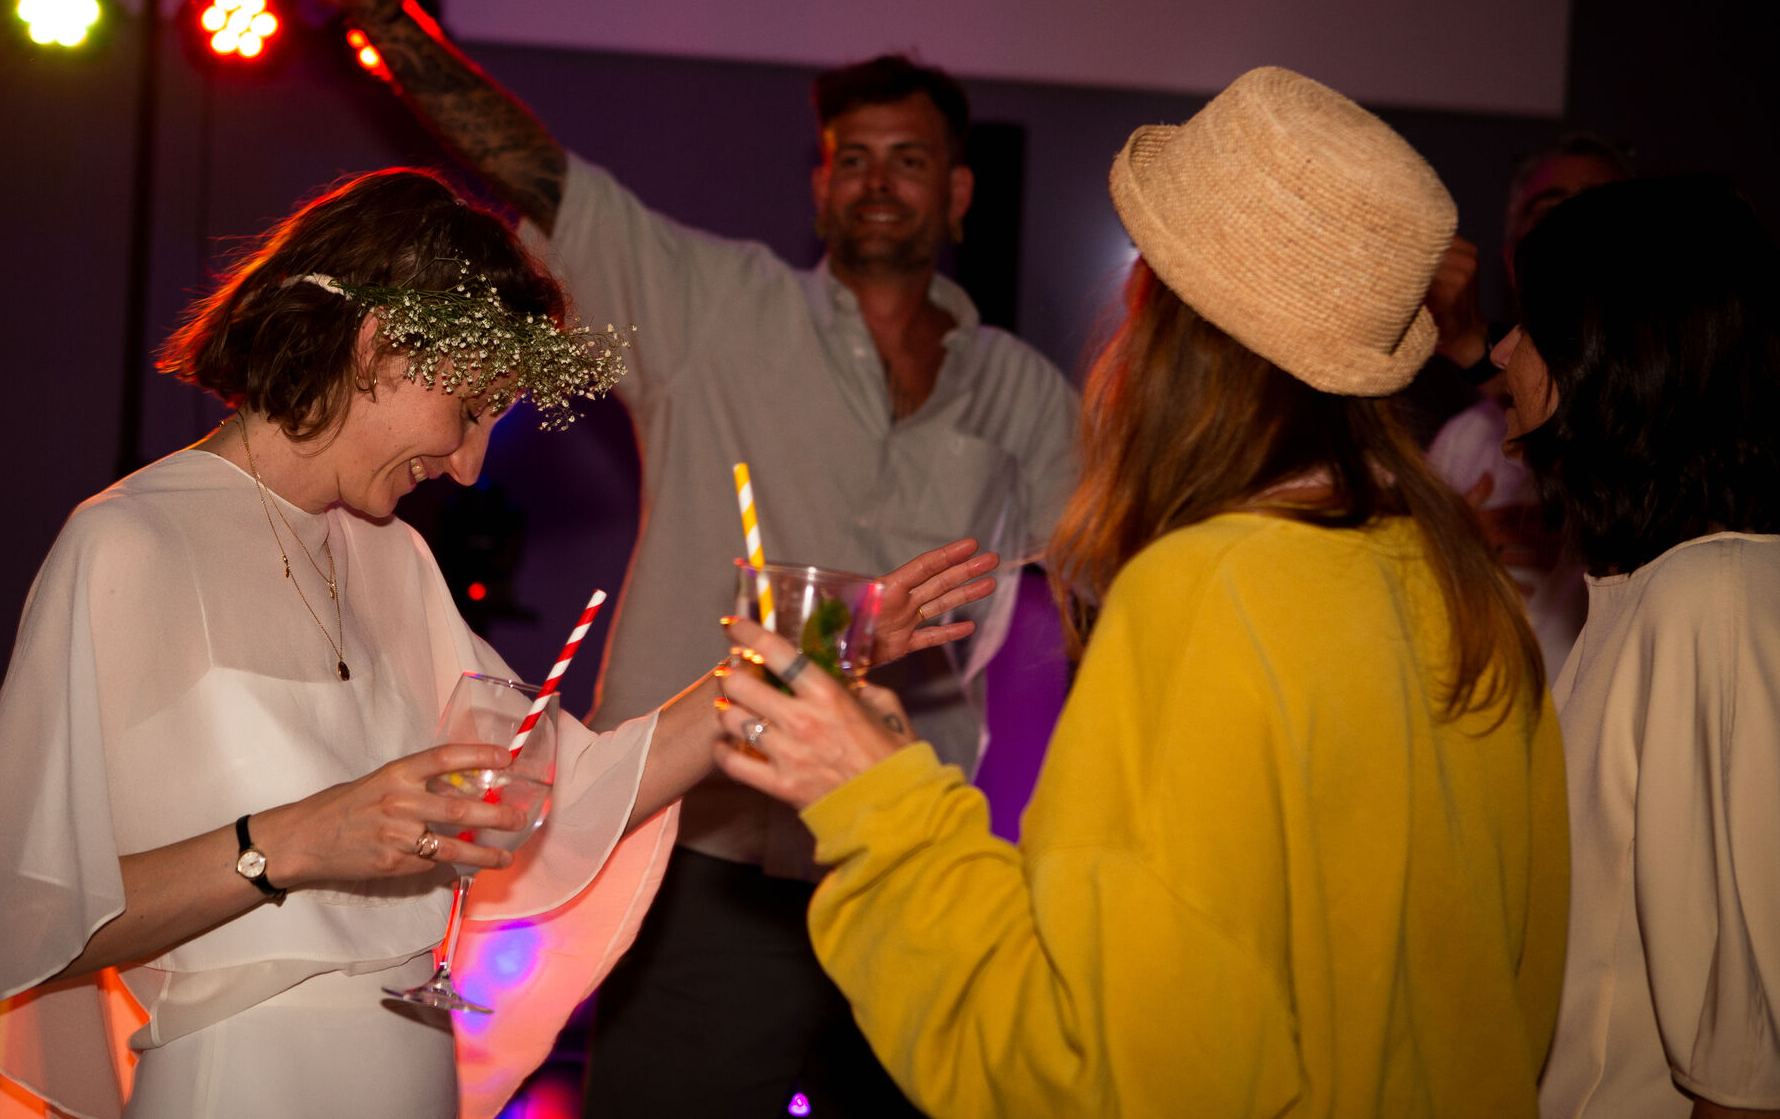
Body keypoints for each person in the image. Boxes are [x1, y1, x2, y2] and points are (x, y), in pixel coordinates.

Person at [198, 0, 1079, 1118]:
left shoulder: (1025, 392)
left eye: (909, 160)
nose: (878, 183)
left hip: (903, 846)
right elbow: (537, 173)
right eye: (852, 160)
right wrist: (371, 4)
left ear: (958, 193)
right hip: (703, 849)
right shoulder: (714, 308)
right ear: (819, 185)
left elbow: (1085, 584)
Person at [0, 169, 991, 1119]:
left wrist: (810, 654)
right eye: (469, 410)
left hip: (413, 1073)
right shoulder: (129, 541)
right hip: (241, 1076)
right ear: (378, 344)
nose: (469, 466)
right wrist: (293, 840)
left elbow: (571, 784)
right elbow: (25, 921)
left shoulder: (397, 561)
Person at [712, 66, 1570, 1116]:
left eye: (1139, 292)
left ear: (1168, 327)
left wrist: (875, 803)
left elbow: (1093, 1071)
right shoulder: (1462, 583)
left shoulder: (1203, 592)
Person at [1495, 177, 1779, 1119]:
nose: (1501, 351)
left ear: (1613, 357)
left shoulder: (1712, 596)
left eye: (1531, 325)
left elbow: (1748, 1065)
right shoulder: (1652, 588)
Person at [1427, 133, 1634, 676]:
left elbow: (1603, 410)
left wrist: (1469, 341)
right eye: (1549, 213)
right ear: (1513, 256)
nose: (1573, 229)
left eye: (1598, 208)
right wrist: (1444, 556)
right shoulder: (1464, 439)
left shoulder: (1679, 414)